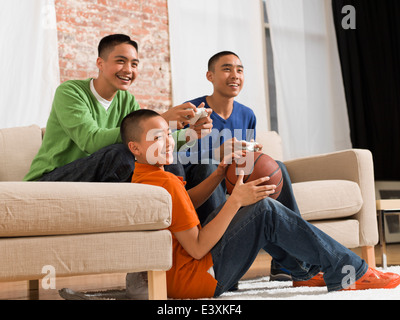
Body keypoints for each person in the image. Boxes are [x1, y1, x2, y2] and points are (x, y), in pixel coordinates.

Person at [121, 109, 400, 299]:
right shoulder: (165, 181)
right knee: (264, 210)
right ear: (135, 148)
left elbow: (185, 205)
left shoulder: (146, 178)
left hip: (183, 276)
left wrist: (219, 174)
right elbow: (196, 248)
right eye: (157, 138)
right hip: (199, 279)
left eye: (168, 134)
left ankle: (304, 271)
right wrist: (235, 201)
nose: (168, 142)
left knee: (256, 205)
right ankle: (352, 271)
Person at [23, 34, 212, 183]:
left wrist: (190, 134)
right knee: (120, 154)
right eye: (121, 61)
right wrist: (162, 118)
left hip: (97, 175)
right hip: (52, 178)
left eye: (134, 64)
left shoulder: (126, 100)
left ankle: (181, 227)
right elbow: (91, 141)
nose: (129, 70)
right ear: (100, 63)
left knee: (167, 160)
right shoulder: (70, 92)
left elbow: (147, 143)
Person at [182, 51, 298, 280]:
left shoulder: (247, 114)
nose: (235, 75)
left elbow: (246, 160)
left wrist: (253, 154)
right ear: (210, 76)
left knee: (278, 168)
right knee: (207, 166)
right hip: (202, 180)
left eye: (240, 70)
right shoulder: (191, 111)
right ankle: (217, 262)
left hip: (233, 178)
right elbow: (178, 157)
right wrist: (217, 154)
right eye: (226, 69)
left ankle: (289, 262)